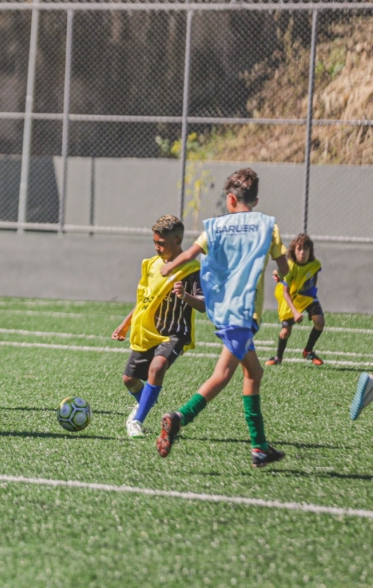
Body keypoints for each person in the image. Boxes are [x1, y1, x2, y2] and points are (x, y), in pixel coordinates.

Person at [155, 168, 298, 468]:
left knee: (254, 374)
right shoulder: (267, 226)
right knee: (222, 375)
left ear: (230, 199)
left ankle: (259, 447)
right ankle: (179, 418)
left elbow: (191, 254)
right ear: (254, 200)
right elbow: (284, 268)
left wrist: (168, 268)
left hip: (223, 310)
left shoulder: (217, 227)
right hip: (243, 313)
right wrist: (281, 273)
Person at [111, 215, 204, 438]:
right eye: (154, 242)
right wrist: (126, 324)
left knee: (157, 367)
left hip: (175, 333)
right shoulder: (152, 265)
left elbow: (203, 305)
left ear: (177, 240)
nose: (156, 247)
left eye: (161, 243)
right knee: (129, 380)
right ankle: (146, 401)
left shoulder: (191, 268)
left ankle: (136, 421)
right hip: (148, 331)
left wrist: (185, 296)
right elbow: (145, 300)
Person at [266, 233, 325, 366]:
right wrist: (295, 312)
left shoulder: (315, 264)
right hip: (291, 298)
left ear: (311, 251)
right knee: (285, 332)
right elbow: (285, 292)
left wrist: (311, 293)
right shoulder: (290, 267)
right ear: (294, 251)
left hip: (308, 297)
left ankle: (308, 351)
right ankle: (278, 358)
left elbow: (313, 277)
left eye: (306, 249)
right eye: (299, 249)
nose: (302, 252)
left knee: (320, 322)